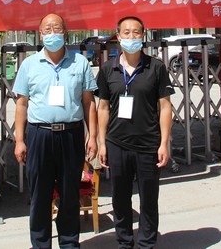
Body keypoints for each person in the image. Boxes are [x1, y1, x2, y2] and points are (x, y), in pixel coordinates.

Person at [13, 13, 98, 249]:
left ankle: (69, 243)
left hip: (71, 135)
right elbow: (21, 104)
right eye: (47, 29)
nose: (52, 33)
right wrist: (19, 140)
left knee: (70, 194)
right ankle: (40, 244)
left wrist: (93, 136)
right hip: (39, 135)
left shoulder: (80, 63)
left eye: (57, 28)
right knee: (40, 195)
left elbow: (89, 102)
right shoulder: (29, 65)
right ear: (40, 35)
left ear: (65, 33)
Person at [96, 16, 174, 248]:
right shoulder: (108, 69)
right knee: (120, 199)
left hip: (148, 144)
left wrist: (164, 143)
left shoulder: (156, 67)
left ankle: (147, 243)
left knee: (149, 199)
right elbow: (103, 107)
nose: (131, 37)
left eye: (136, 32)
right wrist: (102, 143)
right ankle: (125, 242)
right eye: (126, 33)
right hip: (117, 143)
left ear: (144, 36)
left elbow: (165, 107)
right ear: (118, 37)